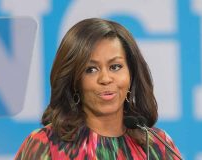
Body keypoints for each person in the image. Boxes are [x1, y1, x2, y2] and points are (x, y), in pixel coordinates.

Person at [15, 18, 181, 160]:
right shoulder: (46, 143)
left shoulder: (156, 144)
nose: (105, 79)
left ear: (131, 74)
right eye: (91, 69)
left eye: (115, 67)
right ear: (74, 81)